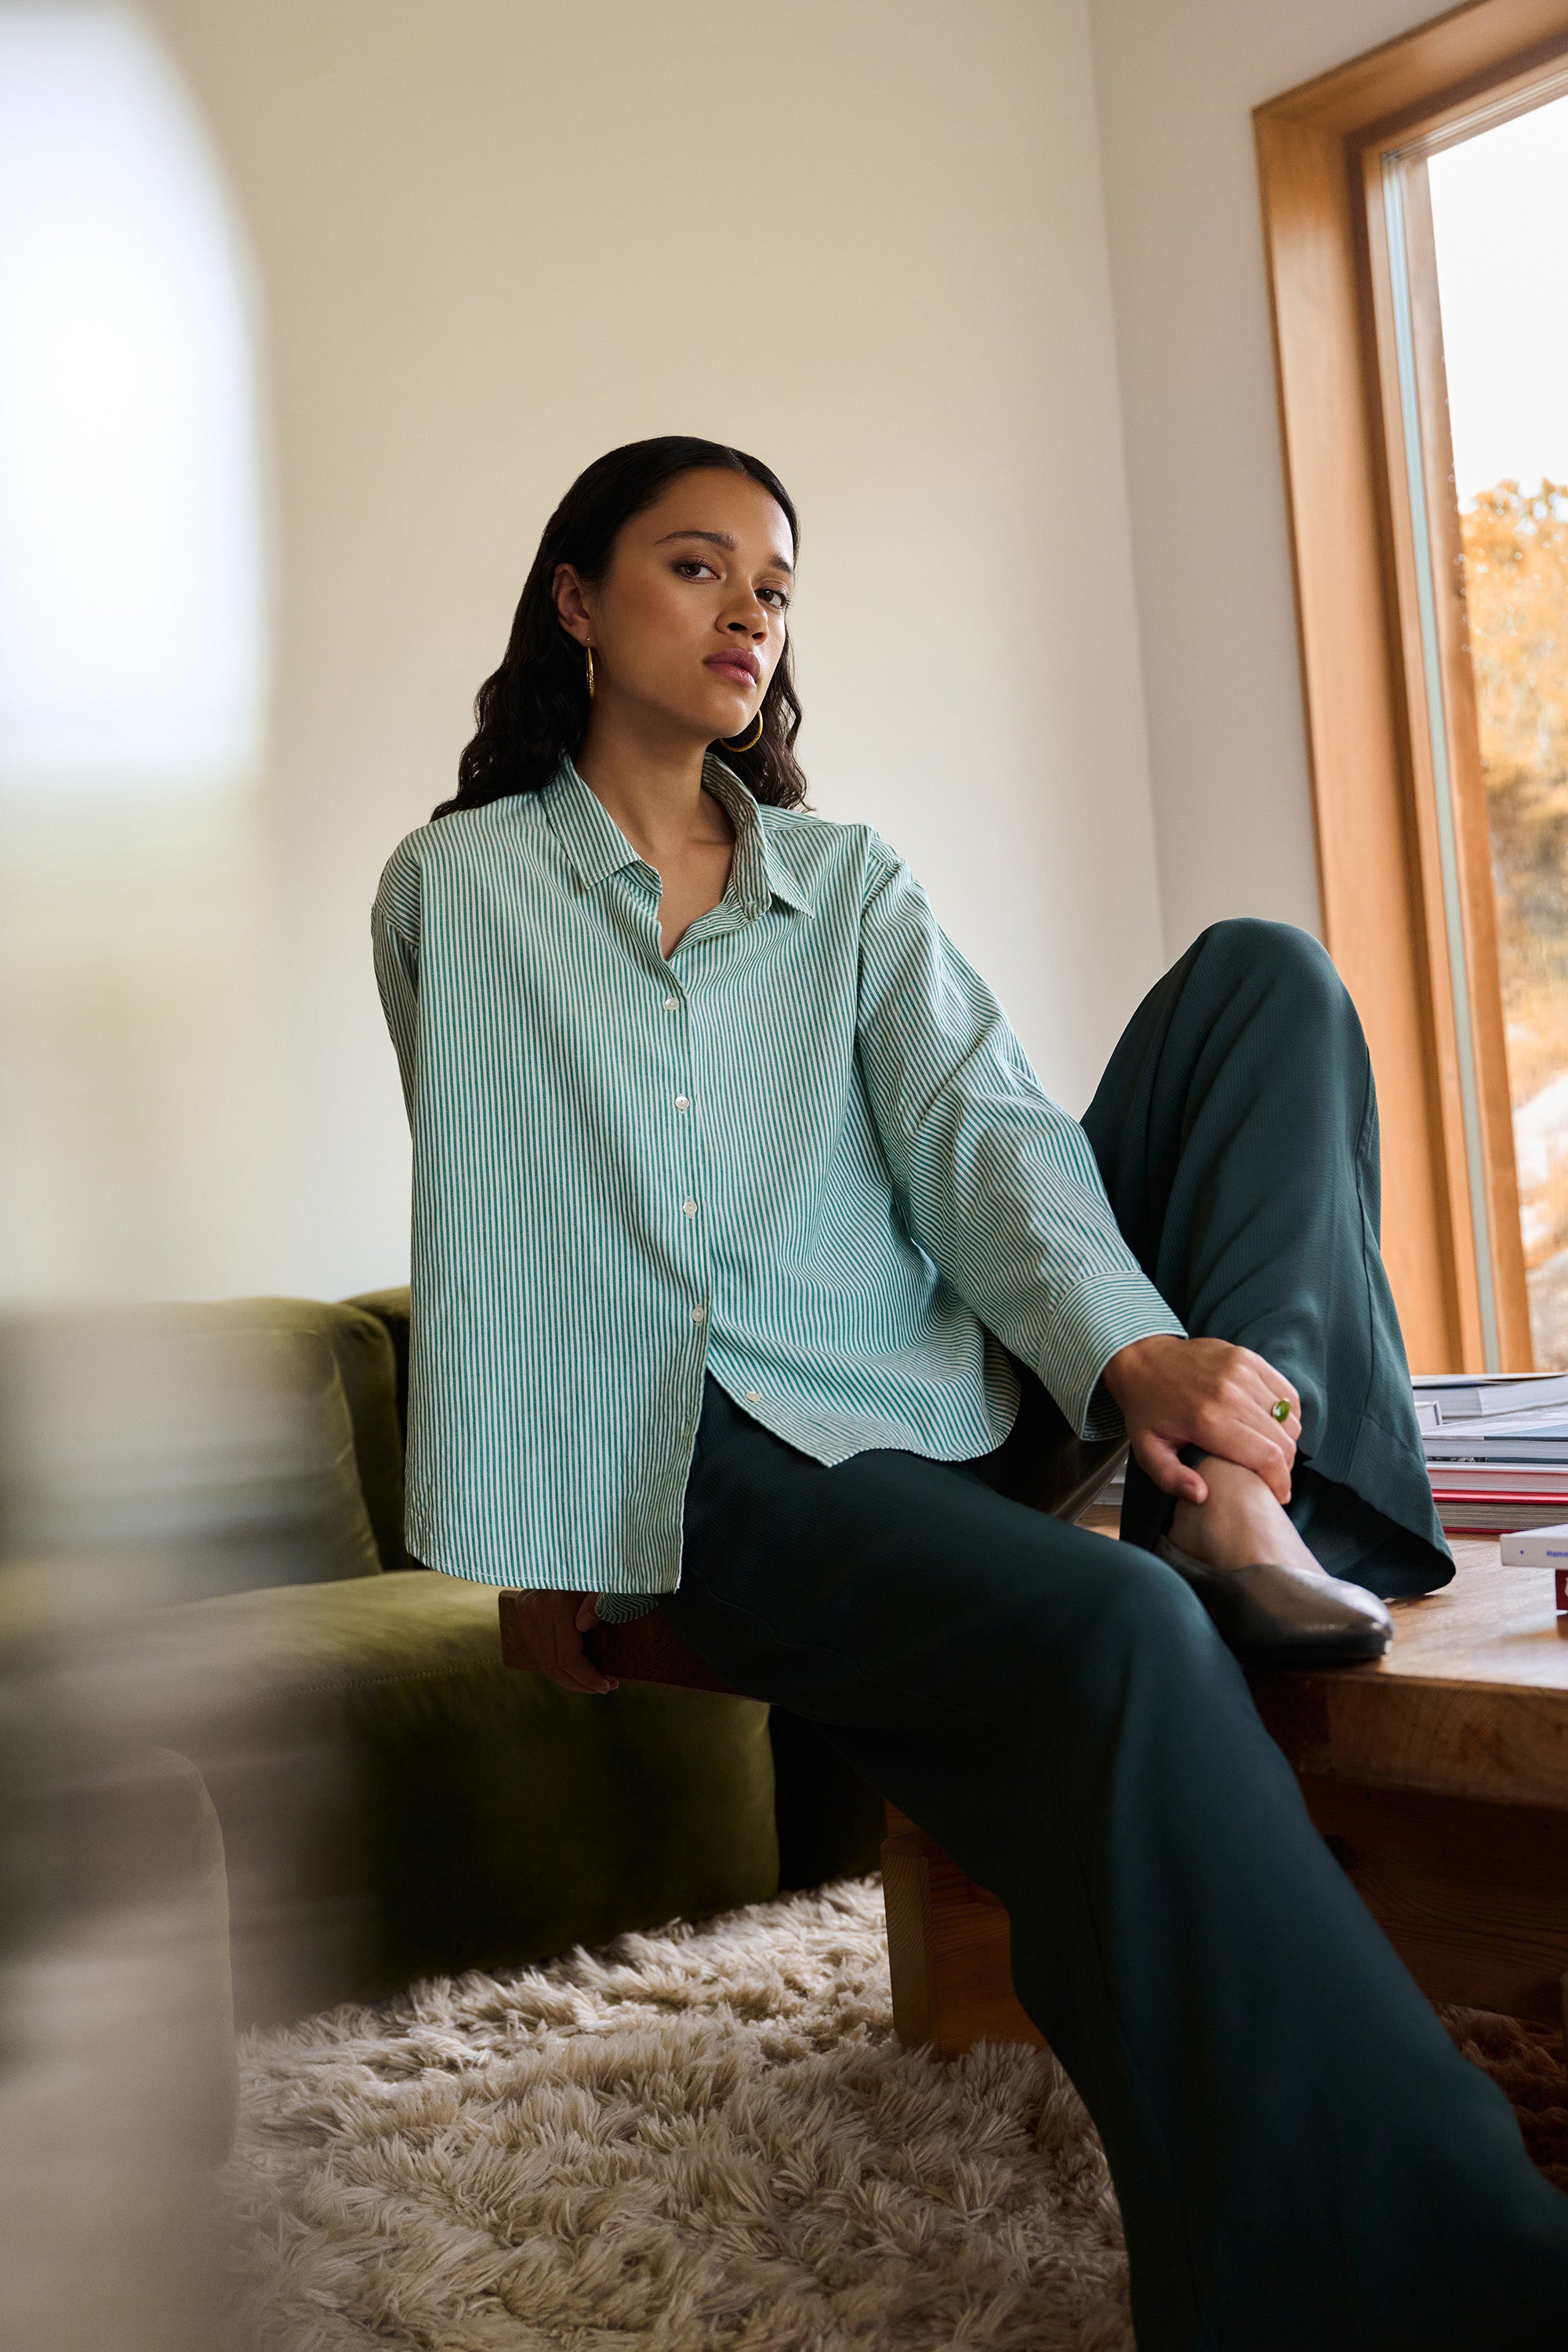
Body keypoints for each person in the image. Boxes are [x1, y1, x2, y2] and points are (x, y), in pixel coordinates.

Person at [372, 436, 1568, 2349]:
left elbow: (981, 1134)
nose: (752, 608)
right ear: (577, 603)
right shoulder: (464, 886)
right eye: (698, 568)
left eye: (774, 582)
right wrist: (543, 1546)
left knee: (1261, 977)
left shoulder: (840, 883)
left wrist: (1126, 1352)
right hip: (734, 1467)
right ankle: (1438, 2271)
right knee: (1114, 1643)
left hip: (958, 1384)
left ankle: (1228, 1500)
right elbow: (500, 1216)